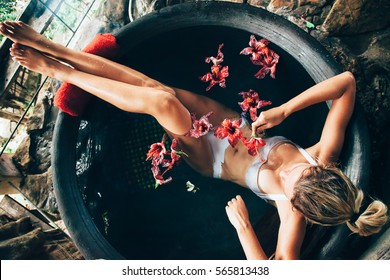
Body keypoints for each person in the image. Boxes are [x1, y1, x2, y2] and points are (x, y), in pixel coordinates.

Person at [1, 21, 387, 260]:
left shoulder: (293, 214)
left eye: (289, 188)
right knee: (157, 88)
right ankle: (54, 50)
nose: (288, 177)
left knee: (163, 103)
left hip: (211, 158)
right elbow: (346, 85)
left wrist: (245, 230)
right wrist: (284, 111)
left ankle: (56, 67)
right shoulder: (322, 153)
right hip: (226, 121)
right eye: (301, 173)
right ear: (323, 169)